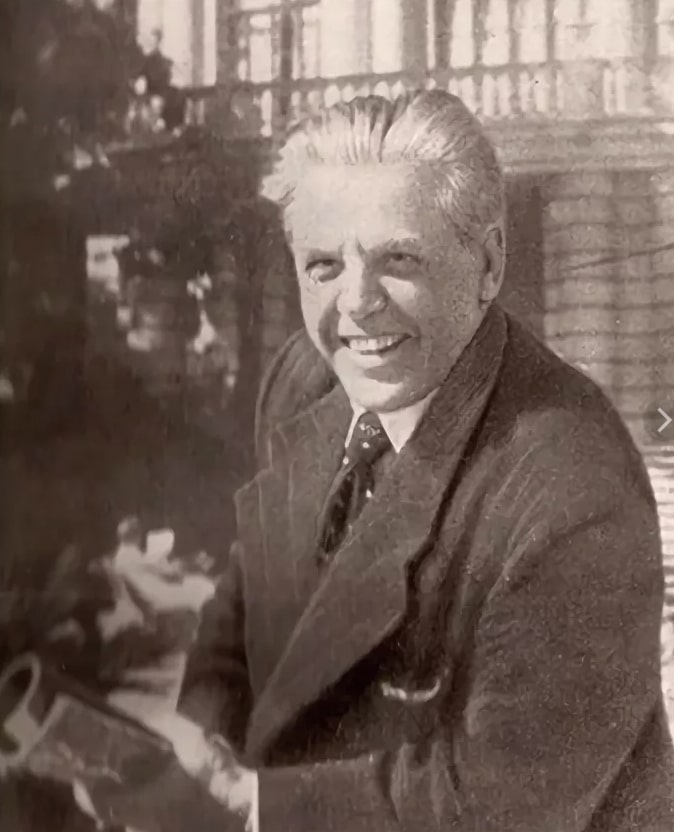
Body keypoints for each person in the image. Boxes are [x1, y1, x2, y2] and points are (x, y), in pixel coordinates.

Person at [101, 91, 674, 830]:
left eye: (397, 259)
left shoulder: (572, 485)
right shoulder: (308, 390)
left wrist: (252, 804)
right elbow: (246, 607)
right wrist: (198, 740)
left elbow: (505, 797)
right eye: (323, 266)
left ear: (487, 264)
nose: (356, 303)